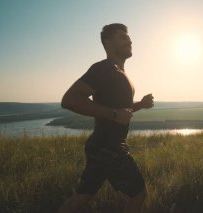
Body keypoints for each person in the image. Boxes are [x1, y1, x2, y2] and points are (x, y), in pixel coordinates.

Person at [57, 23, 153, 213]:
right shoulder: (103, 69)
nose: (130, 40)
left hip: (101, 146)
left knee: (82, 196)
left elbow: (120, 111)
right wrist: (114, 114)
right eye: (123, 37)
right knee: (138, 194)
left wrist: (140, 105)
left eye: (129, 37)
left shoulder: (120, 73)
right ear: (108, 43)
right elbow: (69, 100)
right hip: (109, 147)